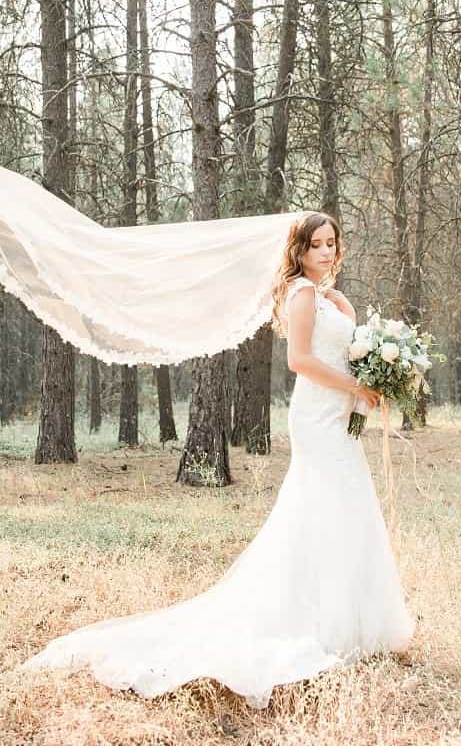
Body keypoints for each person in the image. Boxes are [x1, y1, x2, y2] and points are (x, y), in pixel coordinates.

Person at [23, 211, 415, 708]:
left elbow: (344, 350)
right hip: (317, 415)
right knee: (323, 506)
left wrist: (362, 352)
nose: (325, 251)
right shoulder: (299, 296)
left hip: (341, 414)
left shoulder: (330, 298)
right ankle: (316, 622)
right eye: (315, 244)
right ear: (298, 251)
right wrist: (357, 386)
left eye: (331, 243)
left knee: (349, 506)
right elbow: (300, 361)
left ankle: (357, 622)